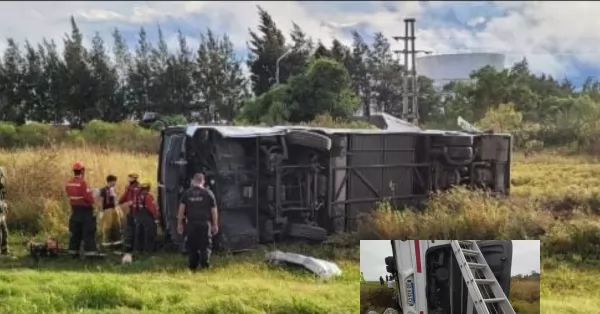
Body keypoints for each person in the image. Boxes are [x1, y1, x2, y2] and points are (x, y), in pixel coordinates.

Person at [177, 173, 218, 271]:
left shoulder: (186, 194)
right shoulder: (208, 193)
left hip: (191, 223)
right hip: (204, 223)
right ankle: (205, 265)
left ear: (193, 181)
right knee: (205, 244)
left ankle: (192, 266)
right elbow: (214, 210)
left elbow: (181, 210)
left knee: (192, 245)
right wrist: (215, 224)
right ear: (203, 181)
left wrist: (179, 224)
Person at [65, 161, 98, 257]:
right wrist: (93, 202)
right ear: (82, 171)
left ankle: (72, 253)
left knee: (75, 233)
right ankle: (91, 254)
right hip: (85, 211)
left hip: (75, 210)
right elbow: (87, 197)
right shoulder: (83, 182)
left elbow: (69, 195)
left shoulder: (69, 183)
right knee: (88, 232)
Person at [131, 180, 159, 253]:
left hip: (138, 216)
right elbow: (152, 208)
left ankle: (138, 249)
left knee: (139, 233)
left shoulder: (136, 197)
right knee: (149, 233)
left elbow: (134, 207)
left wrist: (135, 217)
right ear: (147, 188)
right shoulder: (148, 196)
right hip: (147, 216)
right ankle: (148, 250)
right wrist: (156, 216)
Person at [98, 175, 123, 246]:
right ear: (110, 181)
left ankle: (117, 242)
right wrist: (101, 211)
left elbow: (115, 200)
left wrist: (118, 209)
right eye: (114, 181)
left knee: (116, 225)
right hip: (107, 209)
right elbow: (101, 201)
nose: (115, 183)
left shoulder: (113, 189)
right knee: (107, 226)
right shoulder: (103, 190)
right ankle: (106, 242)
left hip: (114, 209)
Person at [118, 173, 140, 253]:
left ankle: (136, 247)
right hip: (130, 211)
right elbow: (125, 196)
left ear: (134, 178)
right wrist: (118, 202)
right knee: (129, 229)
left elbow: (139, 198)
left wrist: (132, 202)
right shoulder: (128, 187)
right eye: (128, 178)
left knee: (135, 229)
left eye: (130, 178)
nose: (128, 179)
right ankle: (129, 246)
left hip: (136, 211)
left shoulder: (138, 187)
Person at [0, 166, 9, 255]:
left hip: (1, 209)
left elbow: (3, 198)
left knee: (5, 230)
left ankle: (4, 250)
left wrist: (5, 205)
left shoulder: (2, 185)